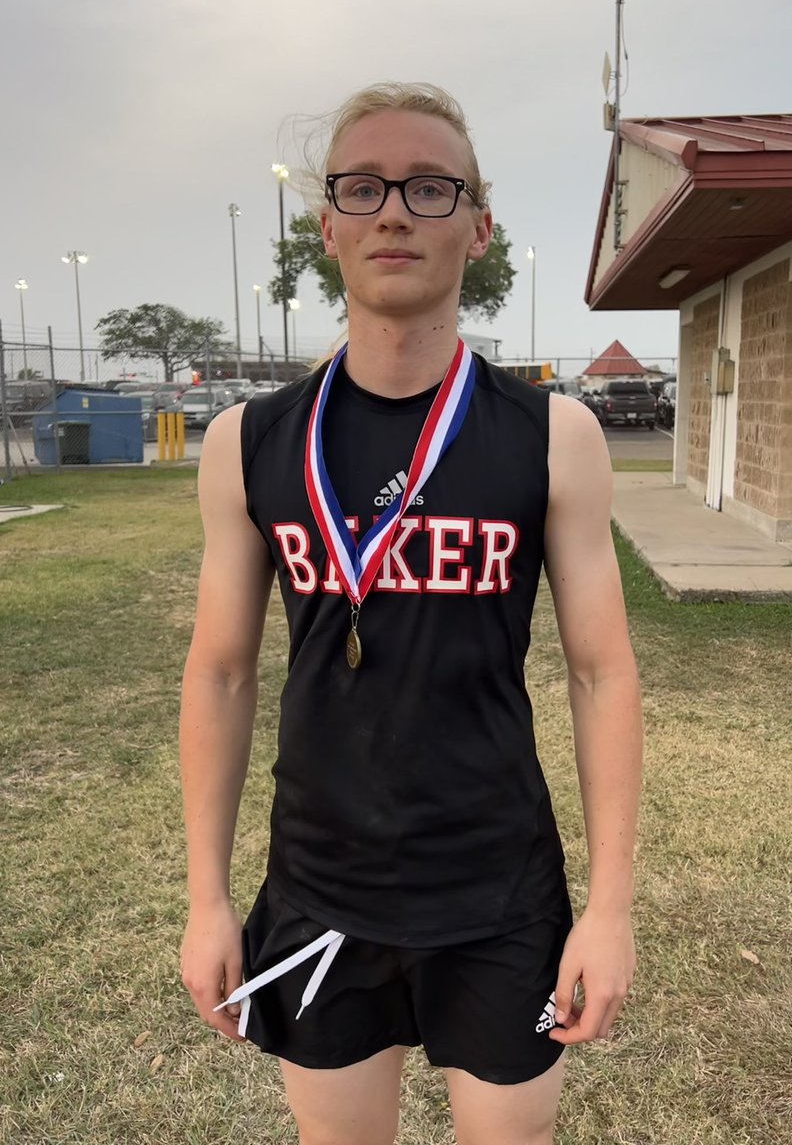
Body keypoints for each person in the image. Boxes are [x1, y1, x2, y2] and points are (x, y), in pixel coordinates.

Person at [179, 82, 643, 1145]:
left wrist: (610, 909)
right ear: (327, 225)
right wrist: (208, 897)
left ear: (479, 228)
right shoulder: (247, 442)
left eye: (431, 188)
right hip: (320, 881)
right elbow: (220, 674)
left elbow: (602, 672)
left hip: (498, 889)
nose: (395, 212)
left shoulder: (552, 435)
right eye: (365, 187)